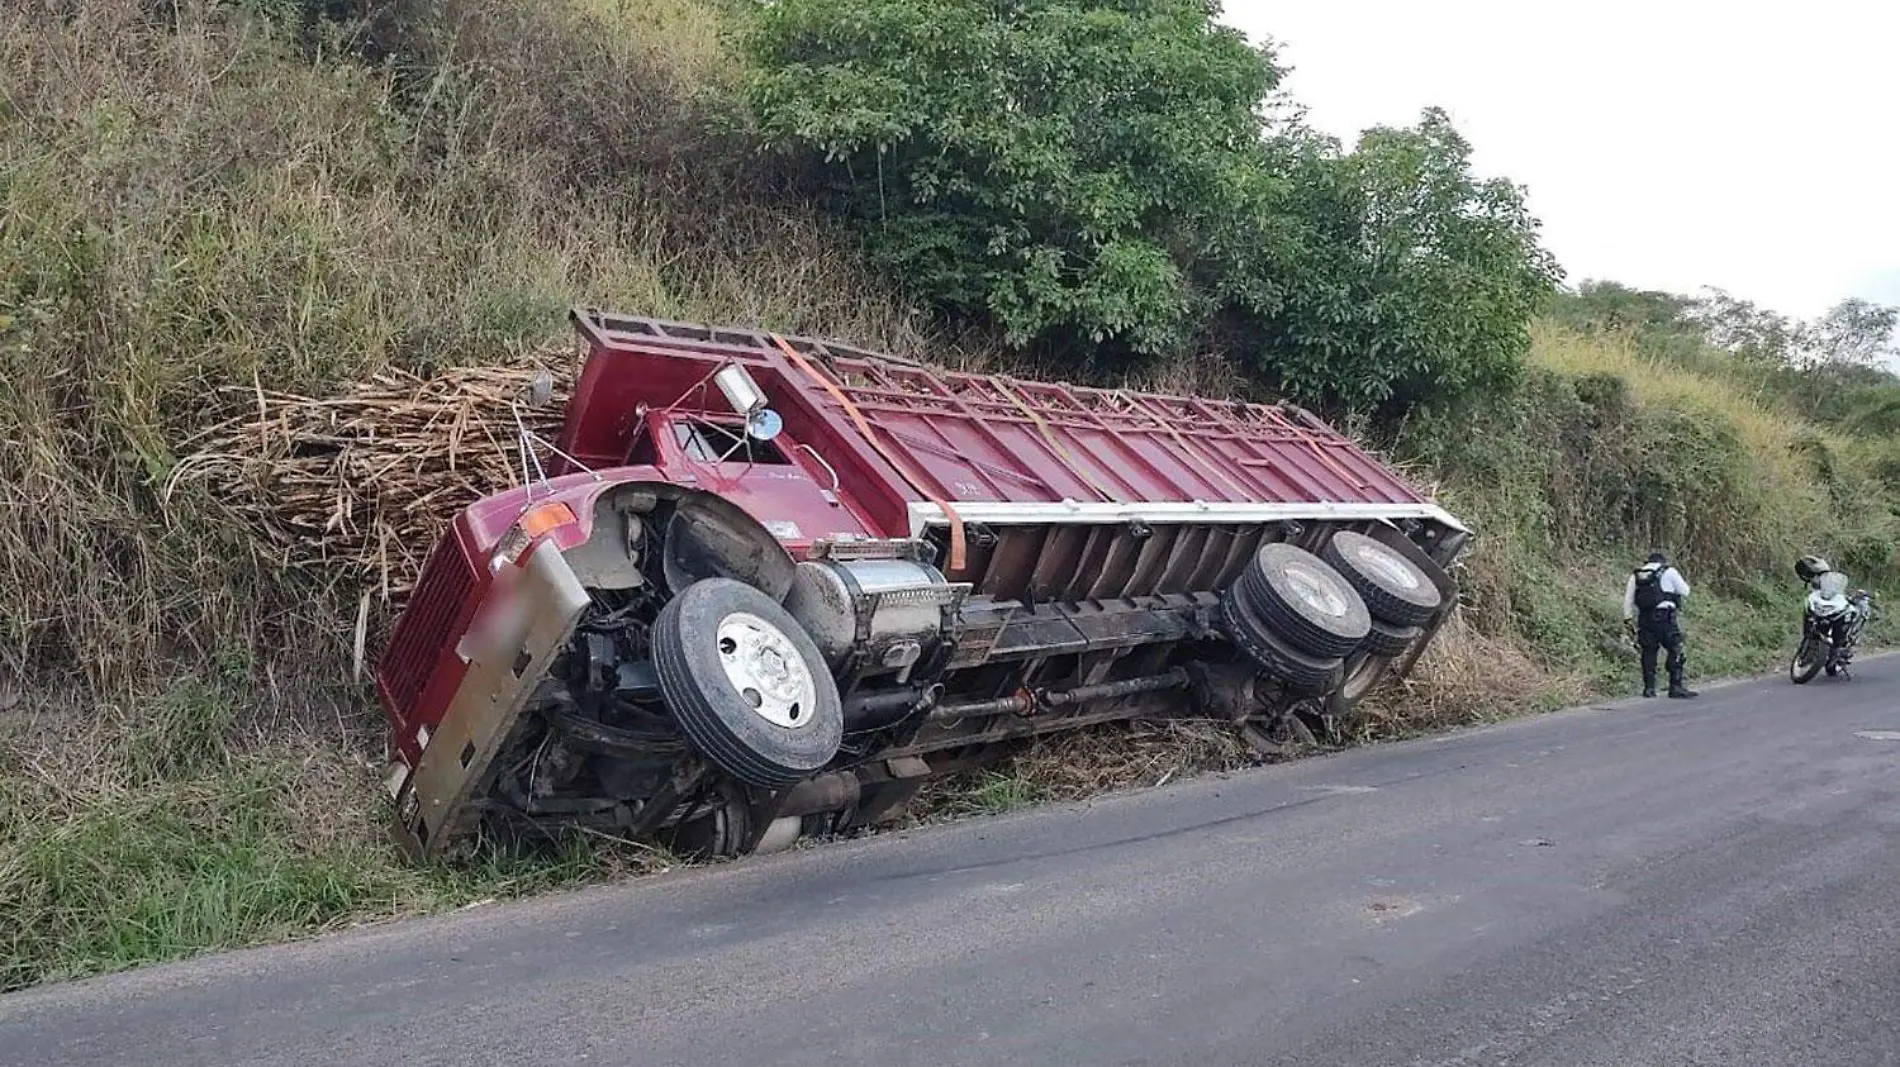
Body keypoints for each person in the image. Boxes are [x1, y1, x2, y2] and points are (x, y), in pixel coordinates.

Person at [1623, 551, 1697, 699]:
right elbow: (1685, 591)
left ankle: (1649, 689)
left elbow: (1628, 600)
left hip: (1644, 618)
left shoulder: (1636, 575)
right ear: (1662, 561)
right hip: (1665, 618)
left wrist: (1628, 619)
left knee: (1648, 652)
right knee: (1676, 648)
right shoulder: (1669, 571)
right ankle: (1675, 687)